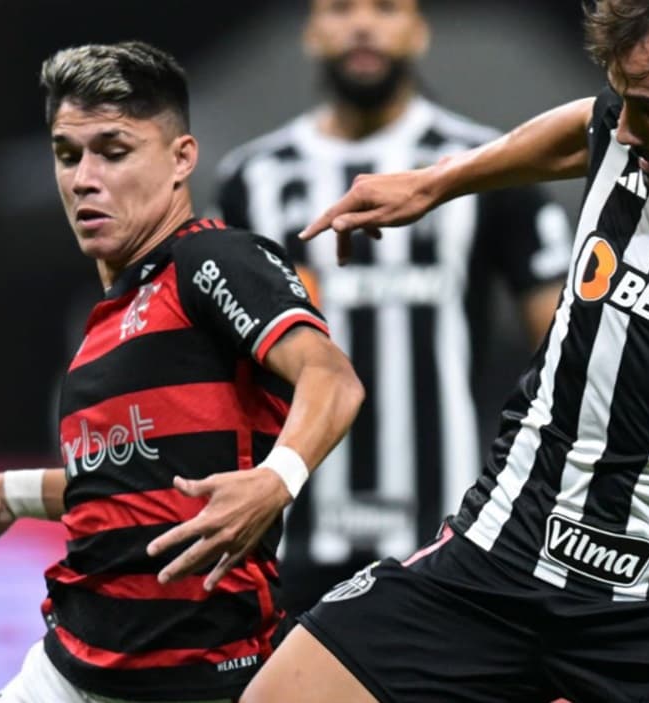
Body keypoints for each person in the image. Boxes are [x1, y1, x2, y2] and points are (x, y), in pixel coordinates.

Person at [243, 1, 649, 701]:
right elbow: (584, 126)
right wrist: (438, 183)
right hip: (499, 558)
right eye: (621, 102)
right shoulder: (627, 128)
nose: (624, 128)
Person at [0, 41, 364, 703]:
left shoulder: (213, 260)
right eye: (68, 155)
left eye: (114, 151)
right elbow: (126, 486)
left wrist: (276, 479)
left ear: (181, 158)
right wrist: (7, 493)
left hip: (198, 676)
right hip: (70, 666)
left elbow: (333, 377)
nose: (84, 178)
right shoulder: (102, 327)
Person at [214, 0, 571, 614]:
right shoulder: (253, 177)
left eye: (384, 8)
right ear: (311, 31)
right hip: (293, 526)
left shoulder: (480, 164)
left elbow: (565, 344)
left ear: (419, 30)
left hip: (443, 530)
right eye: (340, 9)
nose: (361, 24)